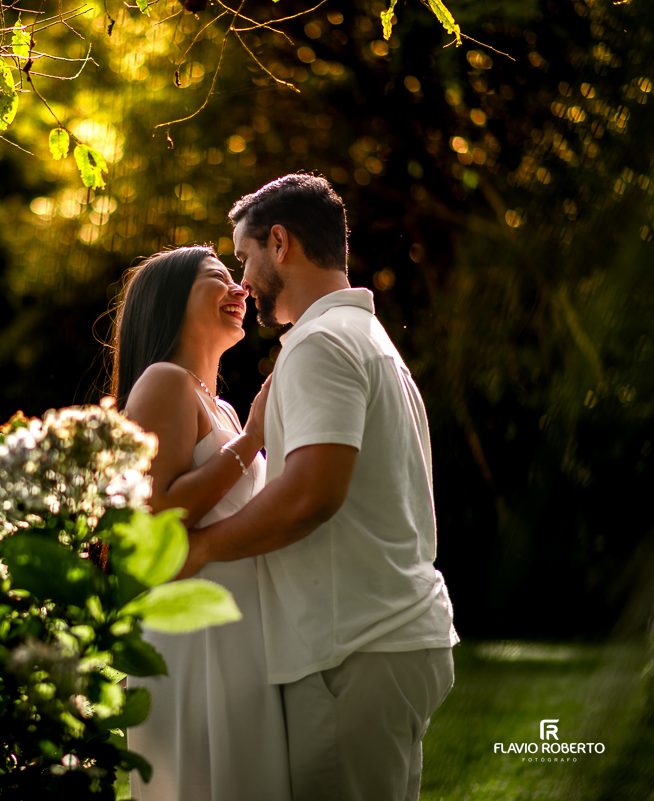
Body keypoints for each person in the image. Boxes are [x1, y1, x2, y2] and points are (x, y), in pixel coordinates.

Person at [180, 174, 459, 801]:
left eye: (244, 256)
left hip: (352, 646)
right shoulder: (366, 340)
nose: (241, 280)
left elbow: (312, 494)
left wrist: (200, 549)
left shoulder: (319, 344)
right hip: (384, 640)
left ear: (280, 242)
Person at [111, 245, 291, 801]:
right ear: (172, 301)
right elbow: (157, 511)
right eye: (216, 277)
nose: (239, 289)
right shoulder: (163, 382)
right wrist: (253, 440)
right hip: (189, 637)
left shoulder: (226, 409)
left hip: (239, 633)